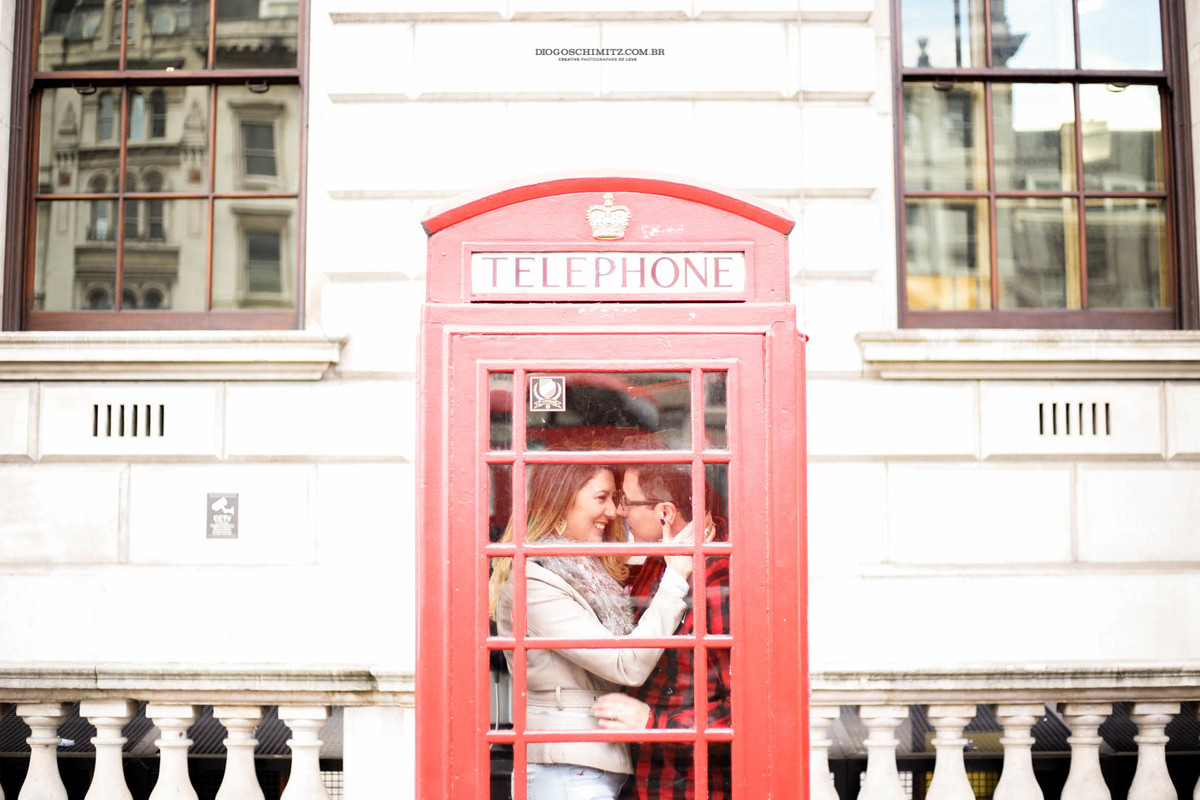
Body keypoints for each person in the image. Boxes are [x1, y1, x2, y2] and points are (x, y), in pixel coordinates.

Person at [489, 460, 698, 800]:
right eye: (601, 498)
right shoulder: (535, 583)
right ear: (561, 501)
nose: (614, 511)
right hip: (566, 763)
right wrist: (675, 580)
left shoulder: (591, 573)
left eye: (616, 499)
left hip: (591, 760)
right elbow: (625, 664)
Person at [591, 440, 732, 800]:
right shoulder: (660, 562)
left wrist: (653, 724)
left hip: (689, 786)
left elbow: (746, 709)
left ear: (665, 513)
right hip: (640, 776)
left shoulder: (717, 580)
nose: (620, 511)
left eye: (625, 499)